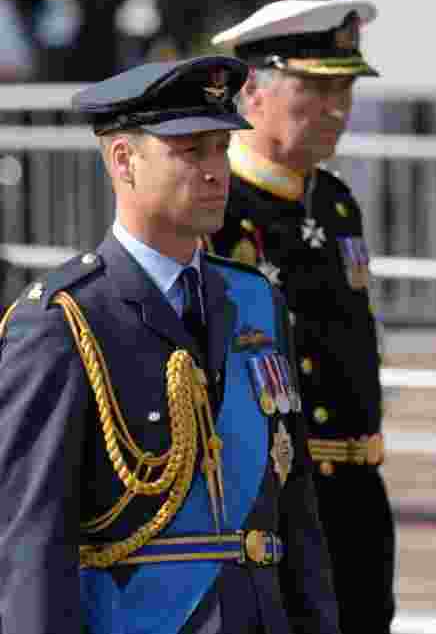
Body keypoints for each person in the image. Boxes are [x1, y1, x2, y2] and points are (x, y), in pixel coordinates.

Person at [0, 56, 340, 634]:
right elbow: (31, 544)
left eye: (219, 148)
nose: (216, 171)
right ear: (124, 160)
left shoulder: (256, 301)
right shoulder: (64, 322)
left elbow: (295, 510)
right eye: (190, 151)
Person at [207, 0, 395, 633]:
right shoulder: (220, 209)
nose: (338, 108)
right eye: (317, 88)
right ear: (253, 94)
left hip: (357, 490)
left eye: (344, 88)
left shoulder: (335, 202)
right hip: (275, 498)